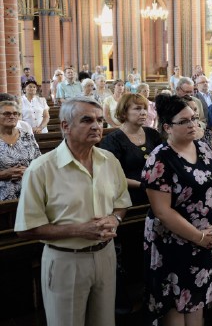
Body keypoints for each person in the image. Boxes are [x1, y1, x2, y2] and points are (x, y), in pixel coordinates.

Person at [14, 96, 131, 326]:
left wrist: (115, 219)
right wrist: (79, 230)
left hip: (106, 255)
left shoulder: (109, 161)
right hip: (67, 259)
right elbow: (26, 229)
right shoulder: (42, 169)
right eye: (87, 120)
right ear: (65, 126)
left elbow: (121, 202)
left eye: (99, 120)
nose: (97, 126)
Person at [142, 95, 212, 325]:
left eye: (195, 119)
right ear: (167, 127)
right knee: (176, 307)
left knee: (196, 303)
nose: (193, 125)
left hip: (206, 238)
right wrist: (198, 237)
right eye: (185, 121)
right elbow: (162, 211)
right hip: (173, 242)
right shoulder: (160, 158)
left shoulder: (204, 148)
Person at [100, 93, 161, 205]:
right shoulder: (113, 140)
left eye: (144, 109)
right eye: (137, 109)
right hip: (129, 194)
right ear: (124, 113)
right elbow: (111, 176)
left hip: (158, 190)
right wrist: (143, 185)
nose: (143, 112)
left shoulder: (153, 134)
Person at [0, 100, 41, 201]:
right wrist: (3, 174)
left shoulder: (27, 135)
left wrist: (29, 171)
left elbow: (39, 162)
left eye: (15, 113)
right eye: (7, 113)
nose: (12, 116)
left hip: (30, 189)